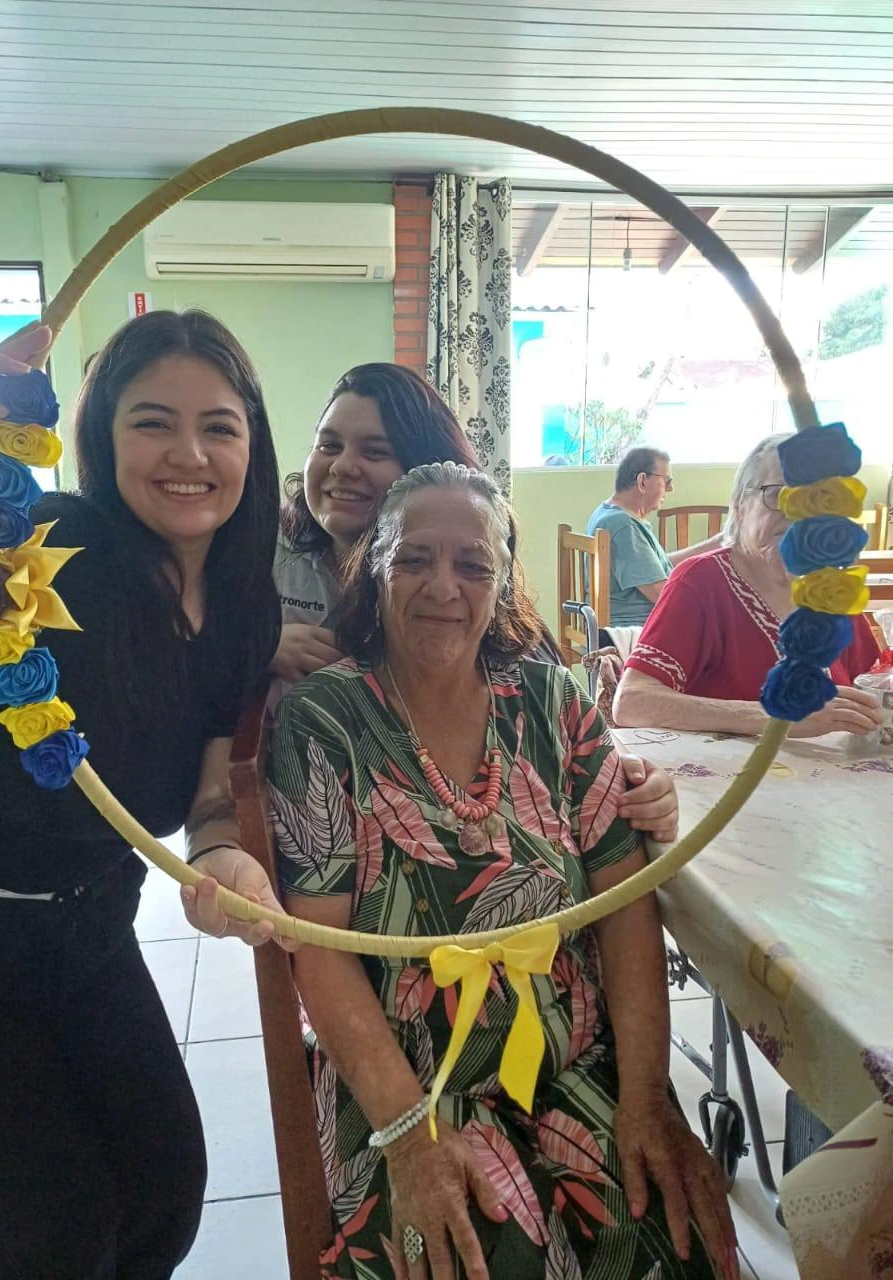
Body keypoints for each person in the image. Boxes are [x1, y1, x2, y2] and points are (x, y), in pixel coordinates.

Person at [260, 462, 738, 1280]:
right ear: (374, 571)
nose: (443, 586)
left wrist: (646, 1096)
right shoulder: (324, 722)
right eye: (414, 558)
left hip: (578, 1057)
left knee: (670, 1233)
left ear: (502, 581)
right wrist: (409, 1138)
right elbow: (320, 949)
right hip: (410, 1086)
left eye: (472, 564)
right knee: (485, 1256)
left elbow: (626, 905)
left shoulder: (556, 703)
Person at [0, 312, 290, 1279]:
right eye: (152, 422)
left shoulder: (246, 604)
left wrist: (221, 852)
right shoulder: (49, 548)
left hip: (92, 924)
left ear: (253, 445)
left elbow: (210, 793)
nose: (189, 455)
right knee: (46, 1236)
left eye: (218, 427)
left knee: (164, 1196)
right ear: (103, 437)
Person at [614, 433, 883, 737]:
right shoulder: (702, 582)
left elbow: (877, 687)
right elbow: (632, 702)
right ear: (741, 505)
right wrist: (776, 717)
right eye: (779, 494)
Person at [270, 361, 481, 686]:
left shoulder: (460, 580)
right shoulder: (264, 547)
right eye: (329, 446)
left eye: (374, 451)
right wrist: (261, 649)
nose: (341, 466)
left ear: (426, 469)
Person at [587, 447, 722, 627]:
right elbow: (664, 596)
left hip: (630, 625)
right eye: (667, 481)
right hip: (632, 629)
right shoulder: (623, 525)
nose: (671, 488)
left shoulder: (608, 513)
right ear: (642, 481)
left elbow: (656, 567)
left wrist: (717, 543)